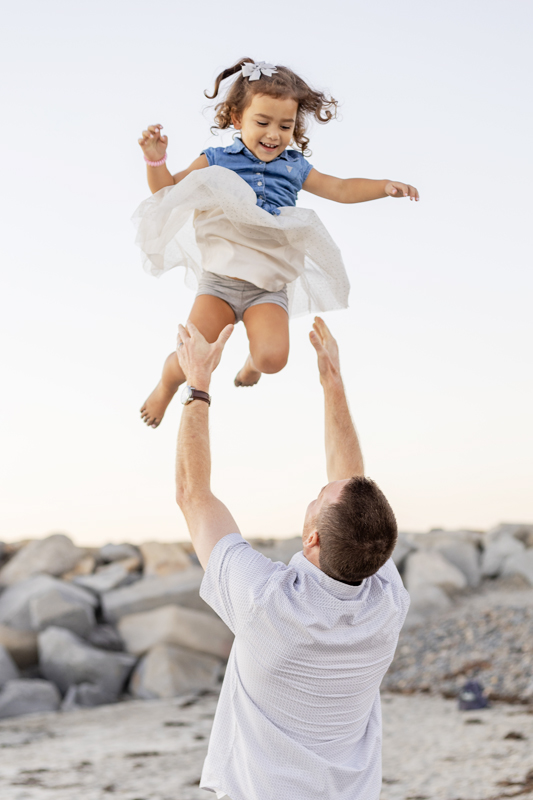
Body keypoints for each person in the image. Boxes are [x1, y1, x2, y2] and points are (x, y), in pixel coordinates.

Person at [174, 315, 410, 800]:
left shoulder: (265, 602)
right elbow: (352, 496)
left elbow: (193, 496)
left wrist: (198, 383)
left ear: (313, 541)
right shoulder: (386, 600)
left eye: (316, 497)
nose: (315, 493)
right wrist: (332, 384)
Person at [134, 58, 419, 428]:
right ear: (237, 119)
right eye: (262, 122)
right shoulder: (216, 159)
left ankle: (253, 362)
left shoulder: (294, 167)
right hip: (220, 282)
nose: (273, 134)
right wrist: (155, 162)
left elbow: (341, 188)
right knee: (195, 356)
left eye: (285, 126)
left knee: (273, 360)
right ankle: (166, 384)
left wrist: (384, 187)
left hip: (266, 287)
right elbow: (167, 193)